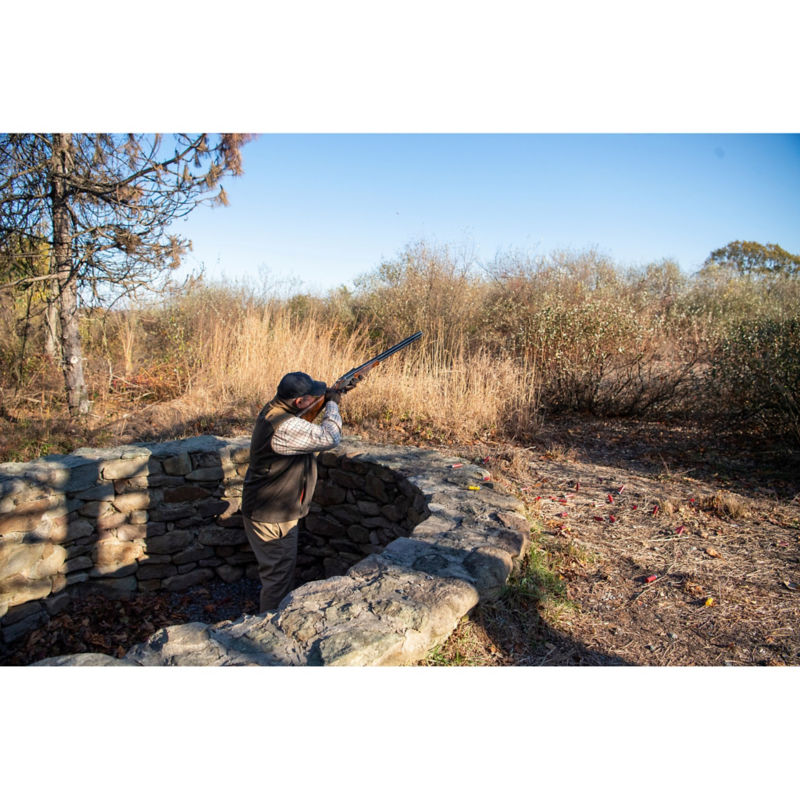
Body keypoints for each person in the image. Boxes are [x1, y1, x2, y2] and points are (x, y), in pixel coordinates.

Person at [241, 371, 344, 613]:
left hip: (270, 509)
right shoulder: (284, 426)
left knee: (278, 573)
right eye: (313, 397)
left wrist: (324, 401)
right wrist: (332, 405)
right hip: (272, 517)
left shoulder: (275, 410)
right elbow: (331, 437)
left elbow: (302, 424)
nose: (317, 398)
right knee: (277, 580)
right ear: (299, 401)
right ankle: (268, 625)